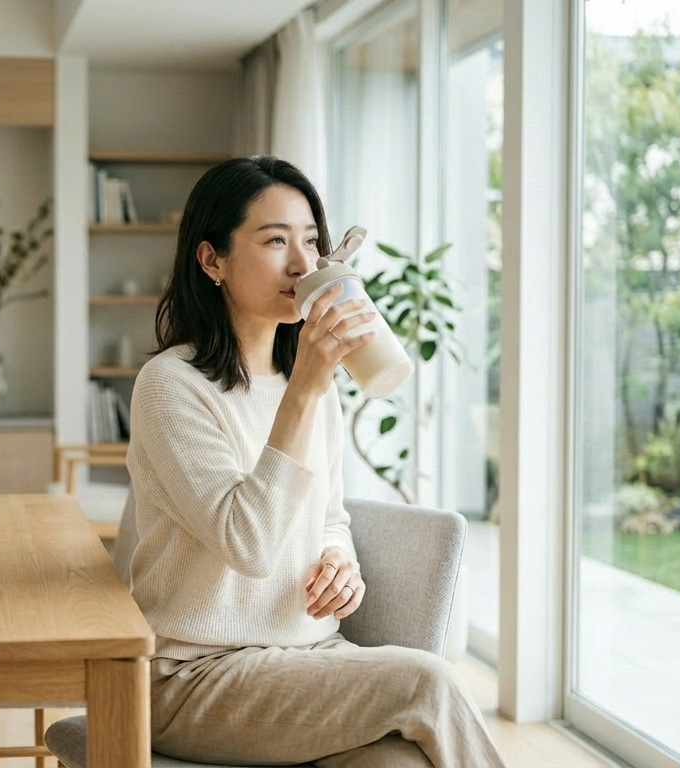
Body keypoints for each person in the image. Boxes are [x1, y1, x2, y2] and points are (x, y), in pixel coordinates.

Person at [126, 155, 506, 768]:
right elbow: (248, 543)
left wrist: (340, 563)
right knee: (427, 681)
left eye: (311, 241)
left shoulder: (310, 381)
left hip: (308, 658)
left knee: (398, 764)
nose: (303, 264)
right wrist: (305, 387)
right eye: (275, 241)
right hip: (194, 674)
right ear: (212, 260)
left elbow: (328, 516)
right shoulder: (171, 386)